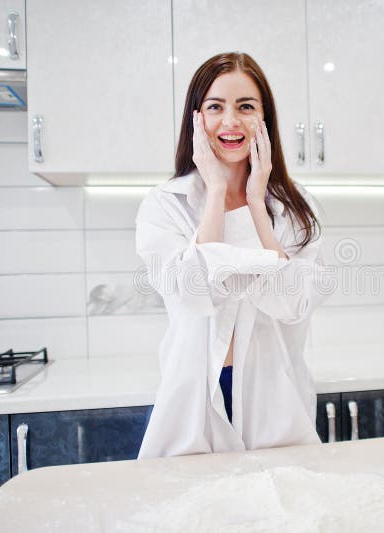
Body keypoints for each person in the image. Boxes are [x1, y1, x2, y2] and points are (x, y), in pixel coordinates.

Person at [136, 52, 332, 458]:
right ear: (196, 119)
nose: (230, 122)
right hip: (195, 394)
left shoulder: (296, 209)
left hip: (274, 394)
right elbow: (193, 294)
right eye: (215, 107)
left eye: (246, 107)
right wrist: (216, 194)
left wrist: (257, 205)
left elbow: (293, 302)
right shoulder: (165, 206)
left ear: (265, 119)